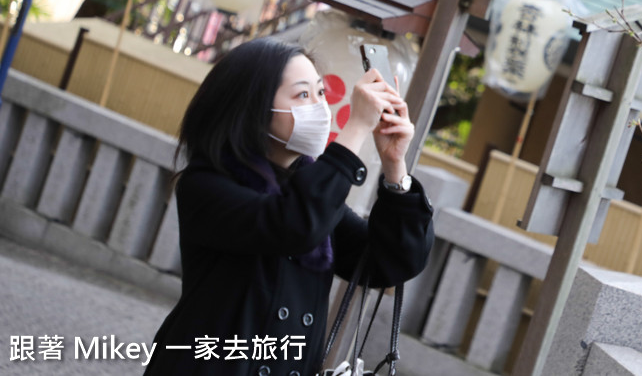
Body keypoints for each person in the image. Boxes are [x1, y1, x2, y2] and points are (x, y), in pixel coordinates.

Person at [144, 37, 434, 376]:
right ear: (253, 108)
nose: (320, 107)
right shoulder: (206, 184)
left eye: (320, 93)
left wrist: (395, 167)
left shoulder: (309, 187)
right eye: (302, 95)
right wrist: (355, 129)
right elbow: (292, 225)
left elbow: (390, 262)